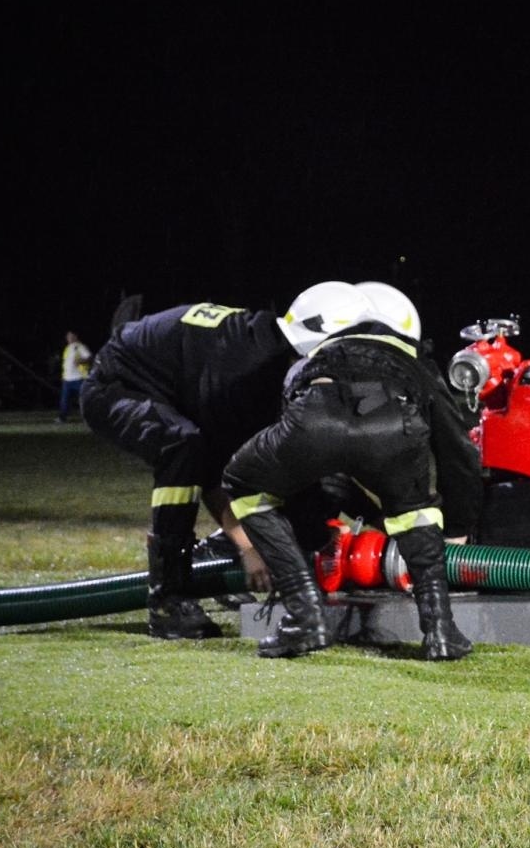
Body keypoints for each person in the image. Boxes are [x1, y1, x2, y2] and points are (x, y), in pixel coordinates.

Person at [223, 280, 483, 661]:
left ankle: (304, 616)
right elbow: (458, 451)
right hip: (393, 423)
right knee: (414, 512)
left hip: (316, 416)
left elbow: (302, 473)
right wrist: (458, 526)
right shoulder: (418, 363)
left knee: (242, 484)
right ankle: (441, 632)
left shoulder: (310, 360)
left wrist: (313, 532)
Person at [82, 300, 294, 638]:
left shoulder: (261, 346)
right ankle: (167, 599)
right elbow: (215, 477)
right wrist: (250, 547)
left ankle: (217, 554)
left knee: (199, 447)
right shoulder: (240, 373)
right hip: (114, 386)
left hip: (162, 384)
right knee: (182, 445)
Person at [58, 330, 92, 423]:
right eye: (67, 337)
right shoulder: (67, 348)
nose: (69, 338)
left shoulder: (80, 346)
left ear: (76, 337)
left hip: (79, 378)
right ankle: (62, 418)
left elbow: (89, 357)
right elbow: (66, 363)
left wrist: (81, 361)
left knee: (83, 399)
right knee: (64, 400)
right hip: (67, 379)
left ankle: (88, 418)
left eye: (71, 336)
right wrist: (64, 375)